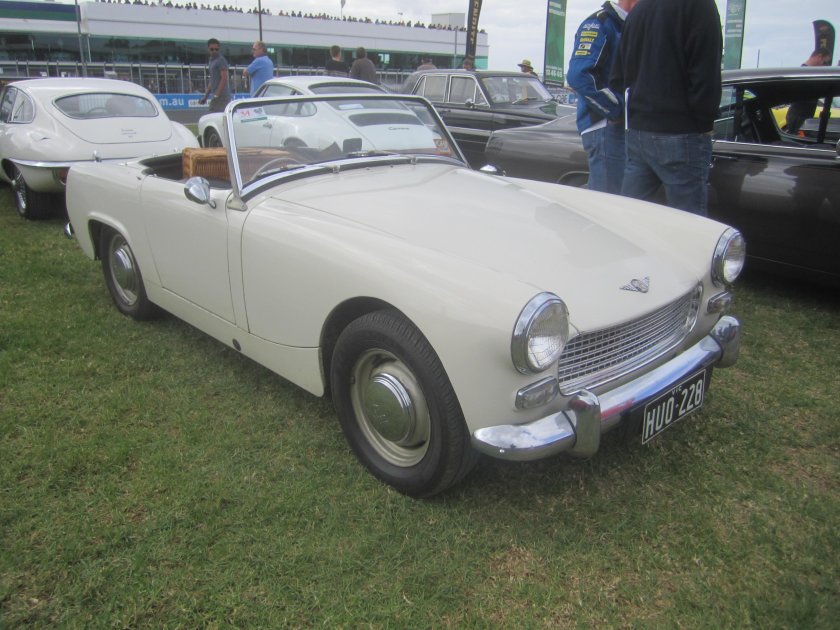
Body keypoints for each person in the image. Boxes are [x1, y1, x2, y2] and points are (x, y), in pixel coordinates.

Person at [610, 0, 722, 216]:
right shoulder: (699, 6)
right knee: (688, 222)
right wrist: (704, 122)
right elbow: (706, 72)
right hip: (682, 131)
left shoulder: (639, 11)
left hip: (638, 132)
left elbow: (617, 77)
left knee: (626, 217)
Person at [566, 0, 637, 194]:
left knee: (620, 201)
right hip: (604, 126)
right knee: (608, 201)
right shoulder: (599, 23)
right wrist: (616, 111)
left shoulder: (629, 25)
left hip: (622, 128)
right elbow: (579, 75)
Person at [785, 48, 832, 133]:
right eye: (825, 63)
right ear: (819, 57)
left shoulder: (807, 73)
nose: (825, 66)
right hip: (798, 118)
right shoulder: (803, 73)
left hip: (801, 117)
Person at [199, 38, 231, 113]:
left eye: (216, 49)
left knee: (213, 114)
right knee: (214, 115)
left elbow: (224, 78)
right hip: (216, 95)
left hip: (222, 96)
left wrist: (217, 95)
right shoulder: (211, 61)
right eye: (212, 49)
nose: (214, 51)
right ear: (208, 49)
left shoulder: (221, 60)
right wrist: (206, 96)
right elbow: (212, 80)